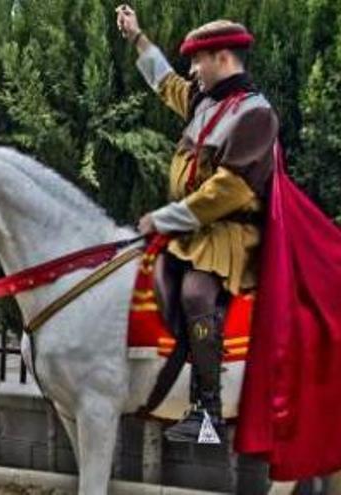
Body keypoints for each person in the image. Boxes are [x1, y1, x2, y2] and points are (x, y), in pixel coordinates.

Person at [116, 5, 279, 443]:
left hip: (230, 233)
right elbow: (165, 82)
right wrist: (136, 36)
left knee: (195, 292)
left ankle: (207, 413)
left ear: (222, 58)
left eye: (198, 61)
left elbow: (228, 190)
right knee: (150, 276)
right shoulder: (206, 100)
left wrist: (162, 217)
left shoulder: (255, 114)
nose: (192, 70)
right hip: (194, 232)